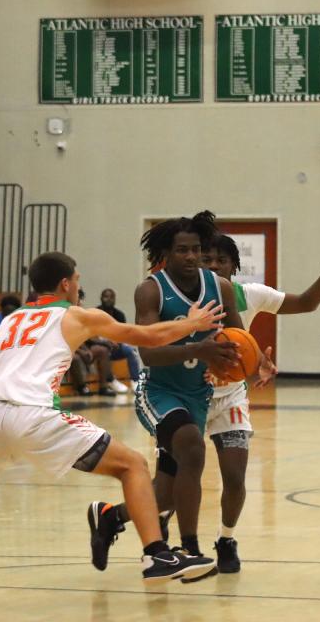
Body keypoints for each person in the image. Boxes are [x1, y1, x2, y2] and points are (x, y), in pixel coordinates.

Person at [0, 252, 221, 610]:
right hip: (33, 415)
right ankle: (156, 555)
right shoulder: (76, 315)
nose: (79, 286)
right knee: (133, 466)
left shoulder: (11, 320)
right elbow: (143, 336)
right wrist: (191, 324)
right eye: (77, 279)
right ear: (66, 283)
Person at [88, 211, 269, 575]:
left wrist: (254, 359)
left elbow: (236, 336)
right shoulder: (150, 289)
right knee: (192, 447)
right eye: (182, 250)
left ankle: (109, 517)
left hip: (197, 394)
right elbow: (149, 353)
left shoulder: (217, 286)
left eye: (196, 250)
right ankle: (189, 549)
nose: (191, 256)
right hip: (158, 392)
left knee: (166, 492)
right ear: (166, 254)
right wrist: (198, 349)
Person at [165, 227, 320, 573]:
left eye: (221, 260)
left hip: (230, 398)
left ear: (233, 267)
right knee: (171, 482)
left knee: (235, 477)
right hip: (185, 397)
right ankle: (158, 528)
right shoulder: (179, 300)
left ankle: (226, 538)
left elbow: (307, 303)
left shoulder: (248, 295)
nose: (213, 265)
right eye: (207, 259)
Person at [97, 288, 142, 393]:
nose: (109, 299)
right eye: (106, 296)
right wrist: (107, 341)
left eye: (111, 297)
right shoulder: (96, 313)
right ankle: (111, 381)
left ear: (115, 299)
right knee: (104, 351)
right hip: (102, 346)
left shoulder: (119, 315)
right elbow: (94, 334)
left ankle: (135, 381)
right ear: (101, 298)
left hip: (116, 347)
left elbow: (124, 334)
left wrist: (117, 341)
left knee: (131, 351)